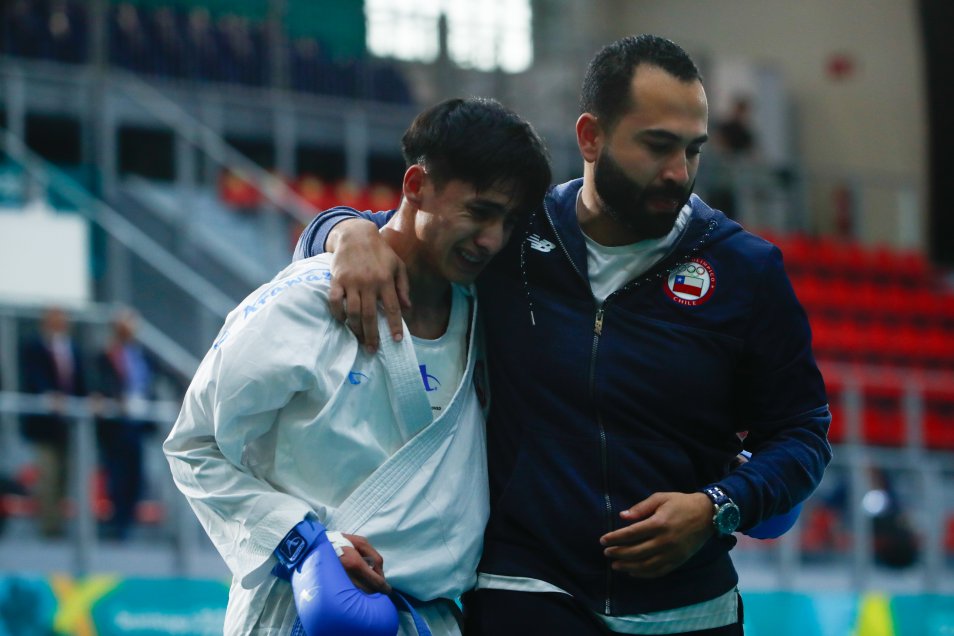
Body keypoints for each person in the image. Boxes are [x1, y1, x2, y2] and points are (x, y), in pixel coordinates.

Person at [296, 35, 832, 635]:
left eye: (692, 150)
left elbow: (802, 434)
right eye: (657, 146)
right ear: (590, 137)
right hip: (526, 591)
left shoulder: (744, 269)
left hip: (690, 608)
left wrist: (716, 508)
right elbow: (390, 234)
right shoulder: (512, 237)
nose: (679, 173)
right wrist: (345, 234)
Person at [163, 97, 551, 635]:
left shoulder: (489, 315)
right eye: (479, 212)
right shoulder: (306, 301)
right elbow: (193, 445)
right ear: (416, 186)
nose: (492, 240)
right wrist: (301, 543)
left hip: (431, 619)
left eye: (508, 222)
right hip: (305, 606)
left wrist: (346, 227)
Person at [18, 306, 88, 538]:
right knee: (47, 474)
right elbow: (32, 378)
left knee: (64, 475)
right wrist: (49, 396)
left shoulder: (73, 349)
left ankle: (59, 522)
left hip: (69, 424)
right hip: (44, 424)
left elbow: (80, 382)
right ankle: (49, 527)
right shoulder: (33, 347)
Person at [93, 308, 155, 541]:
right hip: (116, 425)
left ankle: (128, 519)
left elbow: (152, 382)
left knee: (135, 475)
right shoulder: (106, 355)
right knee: (117, 474)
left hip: (137, 424)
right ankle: (117, 522)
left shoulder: (143, 355)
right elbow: (100, 384)